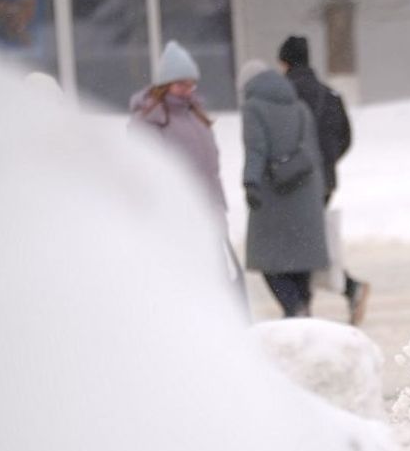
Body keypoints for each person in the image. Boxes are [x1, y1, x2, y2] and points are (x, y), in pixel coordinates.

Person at [129, 40, 249, 315]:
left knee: (216, 283)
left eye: (191, 84)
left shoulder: (196, 116)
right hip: (174, 218)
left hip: (209, 214)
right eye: (181, 84)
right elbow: (143, 172)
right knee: (185, 285)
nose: (188, 90)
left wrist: (218, 208)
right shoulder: (149, 121)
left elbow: (210, 170)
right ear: (165, 84)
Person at [277, 35, 370, 325]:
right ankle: (324, 297)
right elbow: (346, 137)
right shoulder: (329, 94)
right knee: (310, 242)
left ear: (284, 62)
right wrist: (326, 165)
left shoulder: (285, 95)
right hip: (326, 182)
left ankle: (307, 304)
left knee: (295, 246)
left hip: (295, 181)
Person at [239, 60, 329, 319]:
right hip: (305, 190)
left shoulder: (253, 108)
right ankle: (302, 308)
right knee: (301, 257)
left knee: (268, 260)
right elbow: (313, 151)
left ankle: (294, 308)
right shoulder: (299, 106)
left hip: (272, 192)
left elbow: (256, 148)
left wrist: (251, 182)